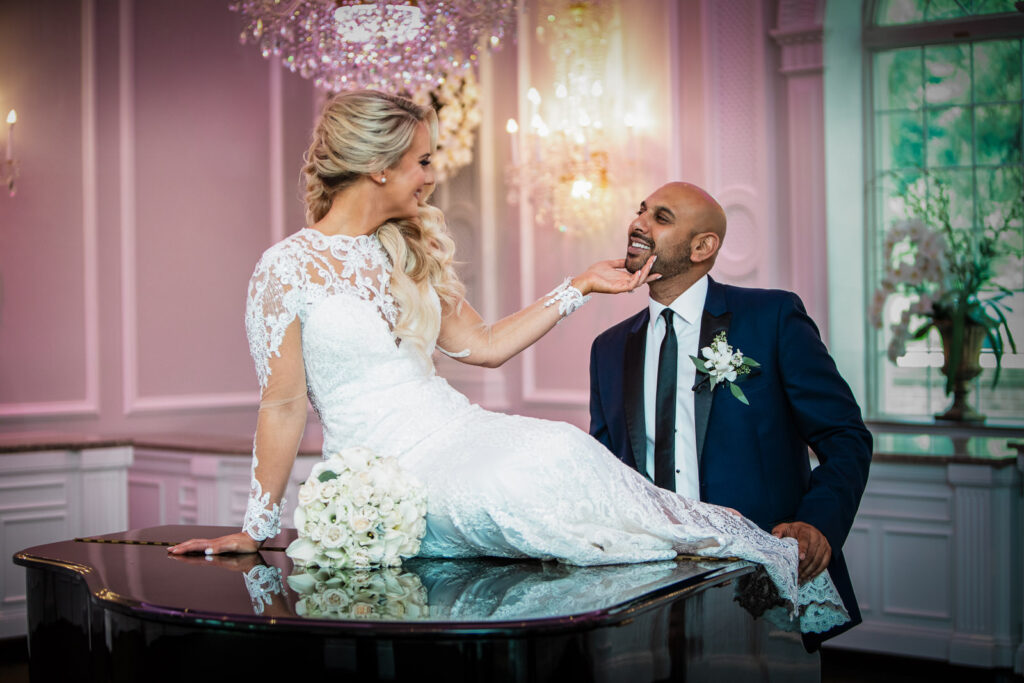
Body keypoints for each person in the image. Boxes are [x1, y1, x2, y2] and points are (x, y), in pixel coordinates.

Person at [169, 90, 849, 635]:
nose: (434, 175)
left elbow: (484, 345)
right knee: (517, 485)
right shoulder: (286, 269)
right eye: (423, 162)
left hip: (457, 427)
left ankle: (748, 567)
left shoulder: (406, 249)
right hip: (386, 468)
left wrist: (579, 286)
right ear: (381, 166)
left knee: (557, 449)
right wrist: (257, 527)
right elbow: (283, 403)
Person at [588, 182, 872, 648]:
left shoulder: (772, 317)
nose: (638, 223)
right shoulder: (609, 349)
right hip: (640, 588)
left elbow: (845, 436)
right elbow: (605, 468)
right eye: (640, 211)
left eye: (661, 217)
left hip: (758, 583)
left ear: (703, 246)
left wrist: (818, 524)